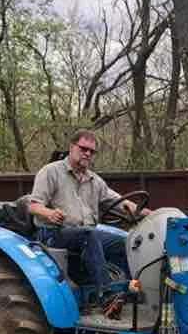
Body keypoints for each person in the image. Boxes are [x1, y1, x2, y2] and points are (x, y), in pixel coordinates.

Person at [28, 129, 141, 301]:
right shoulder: (51, 172)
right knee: (89, 235)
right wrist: (49, 213)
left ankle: (128, 291)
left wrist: (147, 213)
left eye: (91, 151)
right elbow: (33, 205)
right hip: (55, 234)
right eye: (83, 149)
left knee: (124, 243)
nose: (87, 154)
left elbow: (118, 202)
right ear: (72, 147)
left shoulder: (94, 180)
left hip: (85, 232)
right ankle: (108, 293)